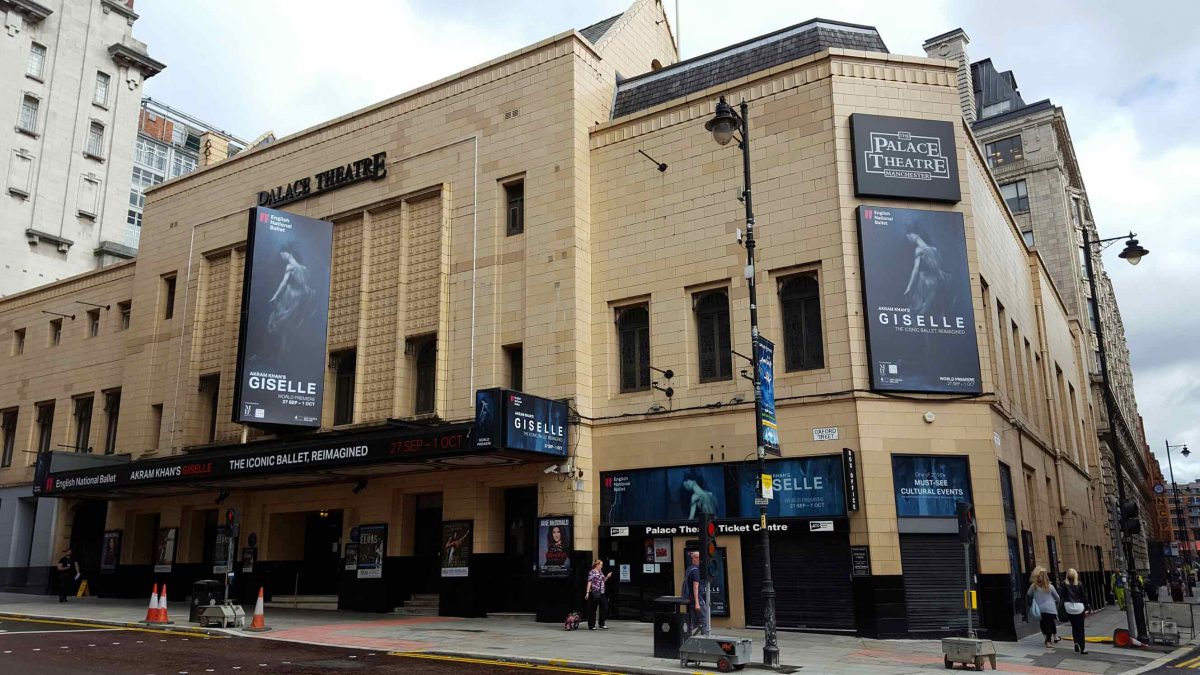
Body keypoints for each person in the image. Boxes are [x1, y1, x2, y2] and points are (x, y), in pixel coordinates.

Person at [1028, 567, 1060, 648]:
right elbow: (1057, 597)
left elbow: (1029, 594)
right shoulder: (1050, 586)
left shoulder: (1033, 587)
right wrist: (1056, 601)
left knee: (1043, 623)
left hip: (1040, 609)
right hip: (1050, 609)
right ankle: (1048, 641)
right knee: (1049, 623)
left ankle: (1046, 637)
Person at [1061, 568, 1088, 654]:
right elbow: (1084, 596)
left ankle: (1076, 644)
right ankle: (1082, 648)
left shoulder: (1064, 584)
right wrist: (1086, 607)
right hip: (1079, 606)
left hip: (1068, 607)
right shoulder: (1079, 584)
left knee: (1074, 626)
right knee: (1080, 628)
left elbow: (1062, 596)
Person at [683, 550, 707, 636]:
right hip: (697, 599)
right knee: (704, 621)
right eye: (700, 558)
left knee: (694, 622)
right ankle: (705, 641)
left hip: (691, 599)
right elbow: (695, 586)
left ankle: (687, 637)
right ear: (695, 558)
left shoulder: (689, 569)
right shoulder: (696, 571)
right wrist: (697, 603)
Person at [583, 560, 611, 630]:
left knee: (605, 607)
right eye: (601, 565)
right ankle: (592, 625)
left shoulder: (600, 572)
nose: (602, 566)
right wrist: (587, 593)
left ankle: (602, 623)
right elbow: (589, 582)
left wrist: (607, 576)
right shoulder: (591, 572)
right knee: (593, 609)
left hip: (602, 592)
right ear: (597, 565)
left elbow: (603, 580)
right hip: (594, 593)